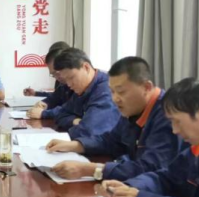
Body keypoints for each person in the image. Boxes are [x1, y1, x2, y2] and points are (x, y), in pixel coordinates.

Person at [44, 57, 182, 182]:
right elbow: (111, 140)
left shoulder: (168, 115)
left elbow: (150, 168)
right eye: (112, 91)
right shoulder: (133, 108)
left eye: (121, 92)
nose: (115, 99)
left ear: (146, 87)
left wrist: (89, 169)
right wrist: (74, 145)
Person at [27, 48, 119, 139]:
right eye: (66, 79)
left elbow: (88, 132)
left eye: (71, 78)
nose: (69, 84)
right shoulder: (82, 88)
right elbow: (61, 114)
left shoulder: (106, 90)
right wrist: (75, 121)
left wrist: (80, 124)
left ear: (86, 67)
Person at [24, 41, 72, 110]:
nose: (58, 76)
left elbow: (69, 109)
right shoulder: (61, 81)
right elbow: (56, 96)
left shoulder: (75, 83)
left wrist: (45, 113)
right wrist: (38, 96)